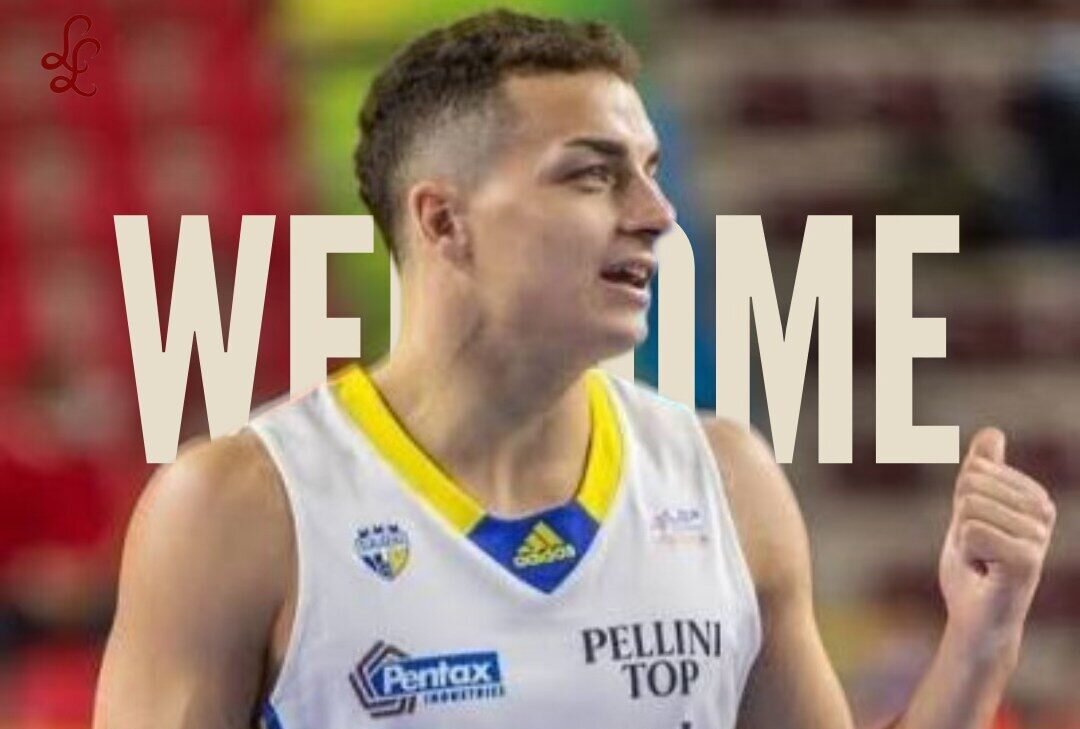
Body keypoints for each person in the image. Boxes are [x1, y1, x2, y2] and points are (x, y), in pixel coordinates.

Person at [92, 10, 1057, 729]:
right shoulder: (239, 507)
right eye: (592, 174)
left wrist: (980, 640)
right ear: (443, 220)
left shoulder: (728, 480)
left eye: (651, 169)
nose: (655, 213)